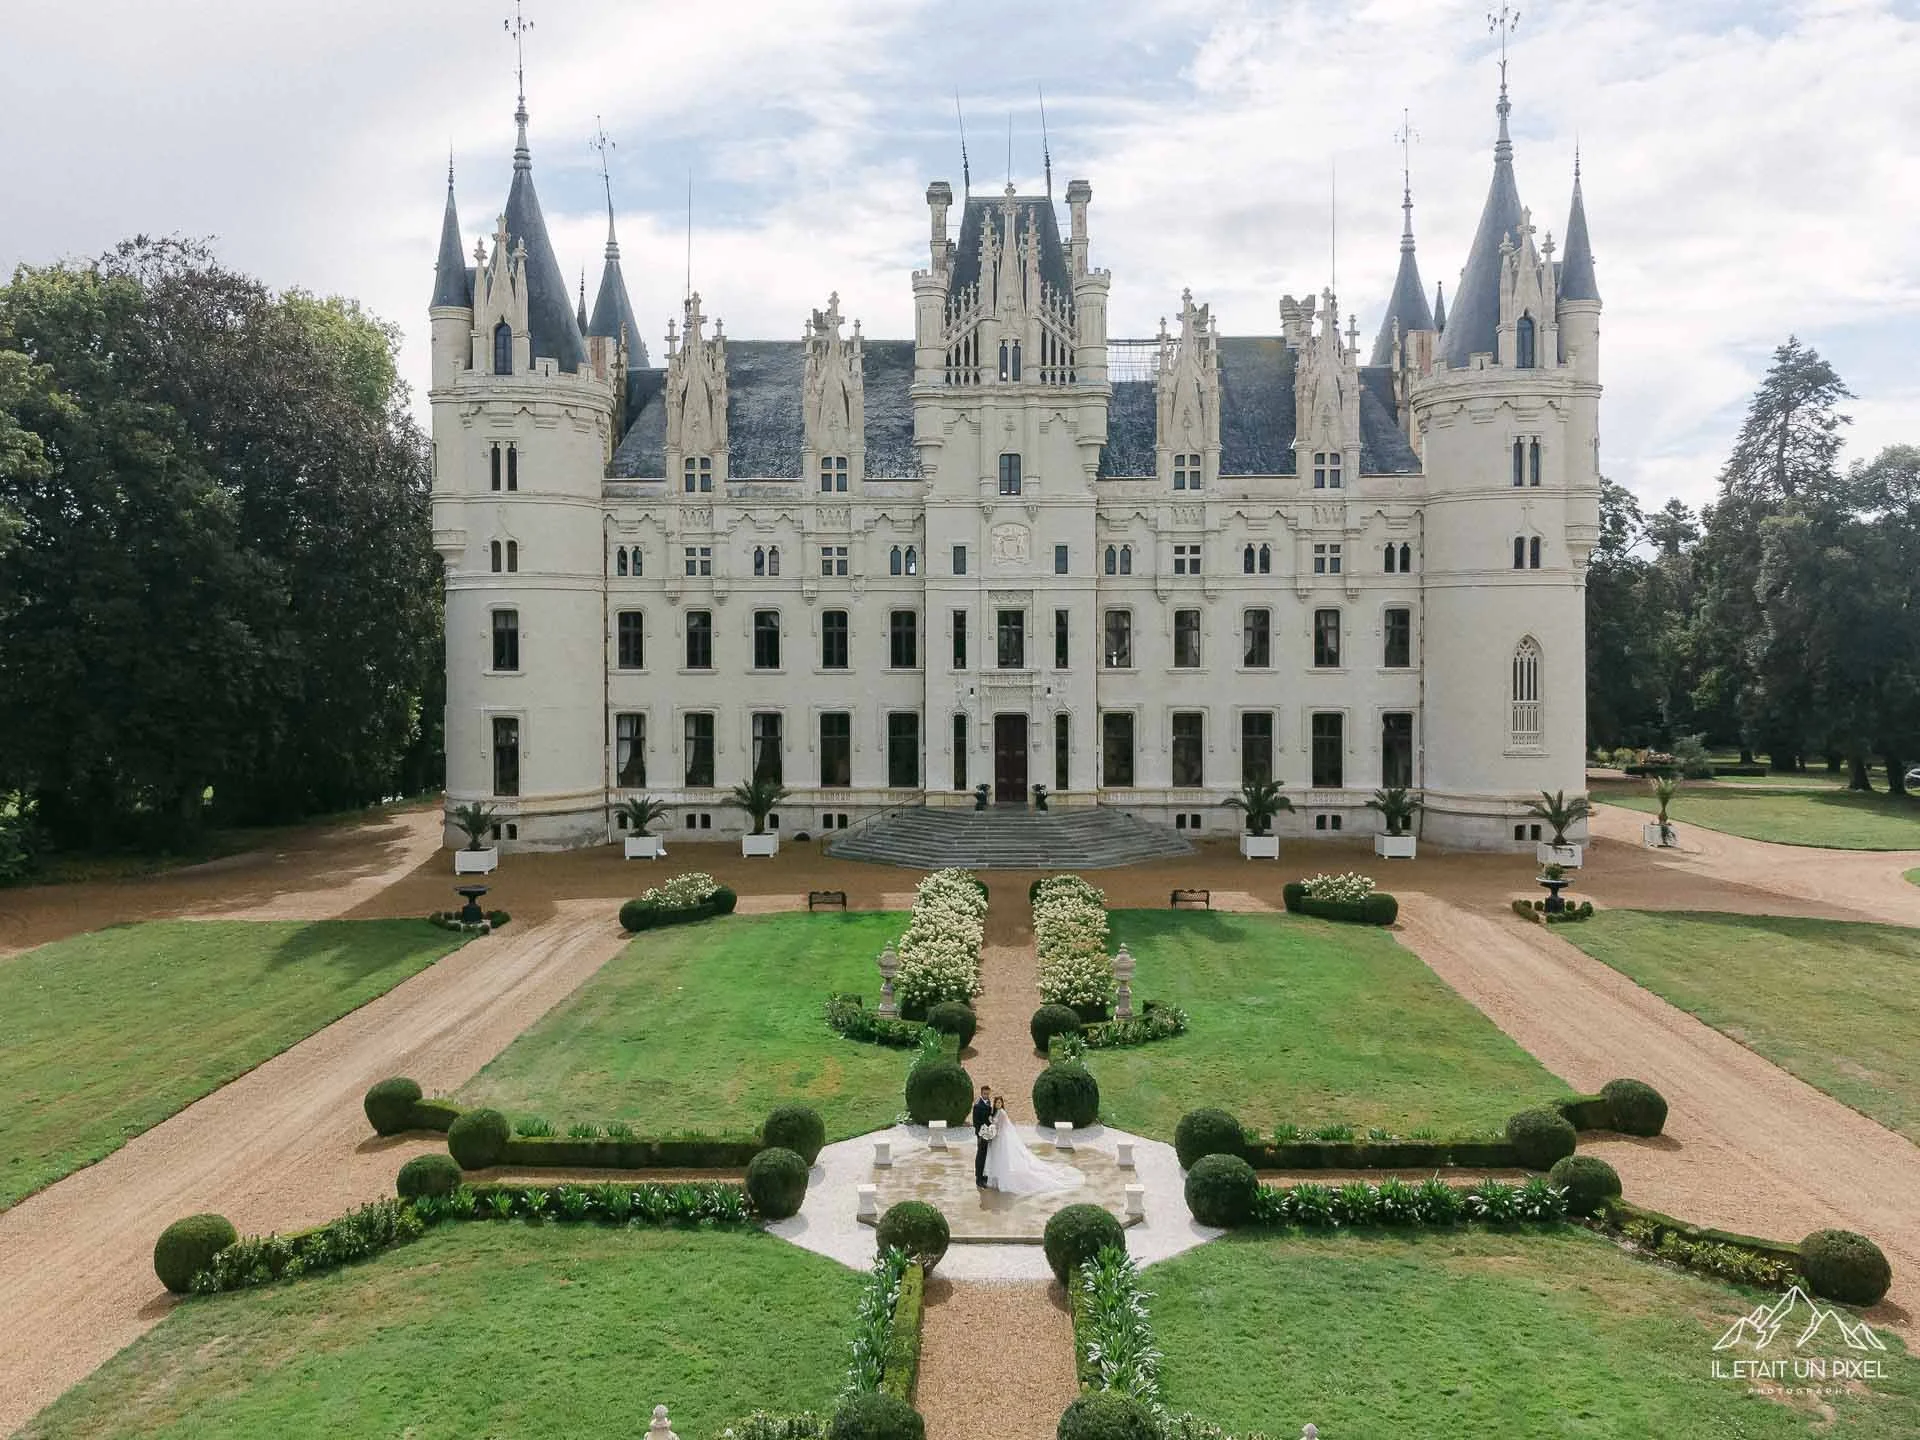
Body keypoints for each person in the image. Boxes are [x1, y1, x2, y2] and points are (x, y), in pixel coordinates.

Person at [983, 1096, 1083, 1195]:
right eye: (997, 1103)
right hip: (997, 1138)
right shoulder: (996, 1112)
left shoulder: (1002, 1113)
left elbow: (1002, 1127)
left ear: (1002, 1104)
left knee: (1002, 1158)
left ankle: (1002, 1179)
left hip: (1000, 1138)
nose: (998, 1104)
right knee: (998, 1158)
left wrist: (993, 1130)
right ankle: (998, 1178)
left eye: (1000, 1103)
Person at [972, 1085, 994, 1188]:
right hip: (981, 1135)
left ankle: (984, 1176)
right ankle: (978, 1178)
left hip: (988, 1133)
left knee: (986, 1155)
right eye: (985, 1093)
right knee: (980, 1156)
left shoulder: (988, 1102)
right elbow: (976, 1123)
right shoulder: (977, 1105)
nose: (986, 1095)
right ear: (981, 1093)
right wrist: (980, 1136)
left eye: (988, 1093)